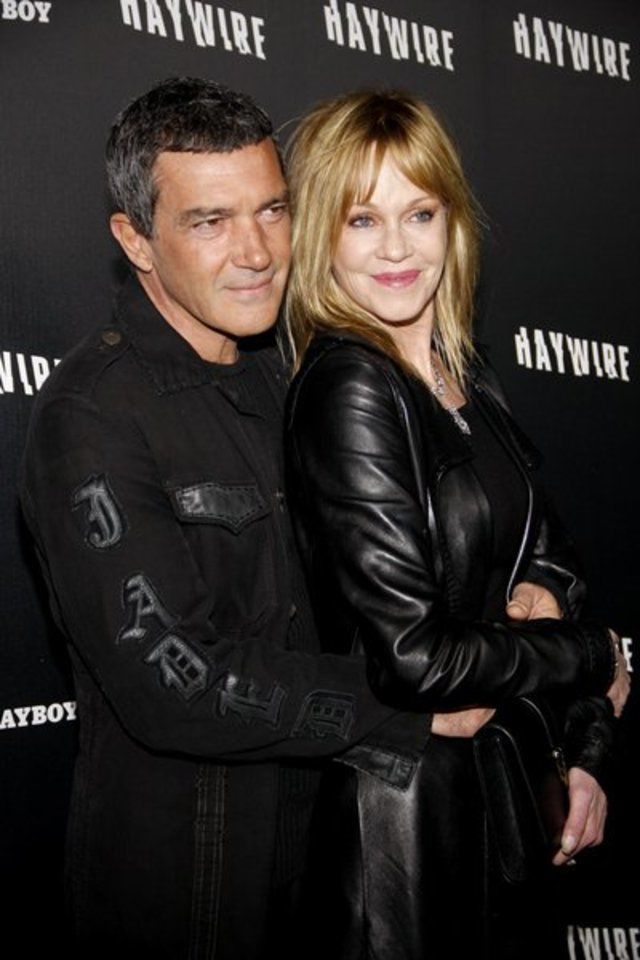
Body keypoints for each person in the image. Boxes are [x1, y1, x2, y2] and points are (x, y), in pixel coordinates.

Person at [18, 78, 430, 960]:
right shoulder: (91, 417)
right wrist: (411, 708)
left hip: (330, 881)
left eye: (272, 210)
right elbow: (178, 684)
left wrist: (526, 601)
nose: (257, 252)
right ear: (135, 239)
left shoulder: (298, 379)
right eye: (209, 221)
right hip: (183, 904)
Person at [284, 90, 630, 959]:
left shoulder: (464, 376)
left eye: (420, 213)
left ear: (452, 221)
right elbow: (417, 658)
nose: (398, 248)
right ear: (322, 234)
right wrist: (593, 654)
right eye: (363, 220)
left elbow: (555, 566)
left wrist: (585, 750)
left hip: (500, 800)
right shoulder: (351, 387)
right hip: (407, 836)